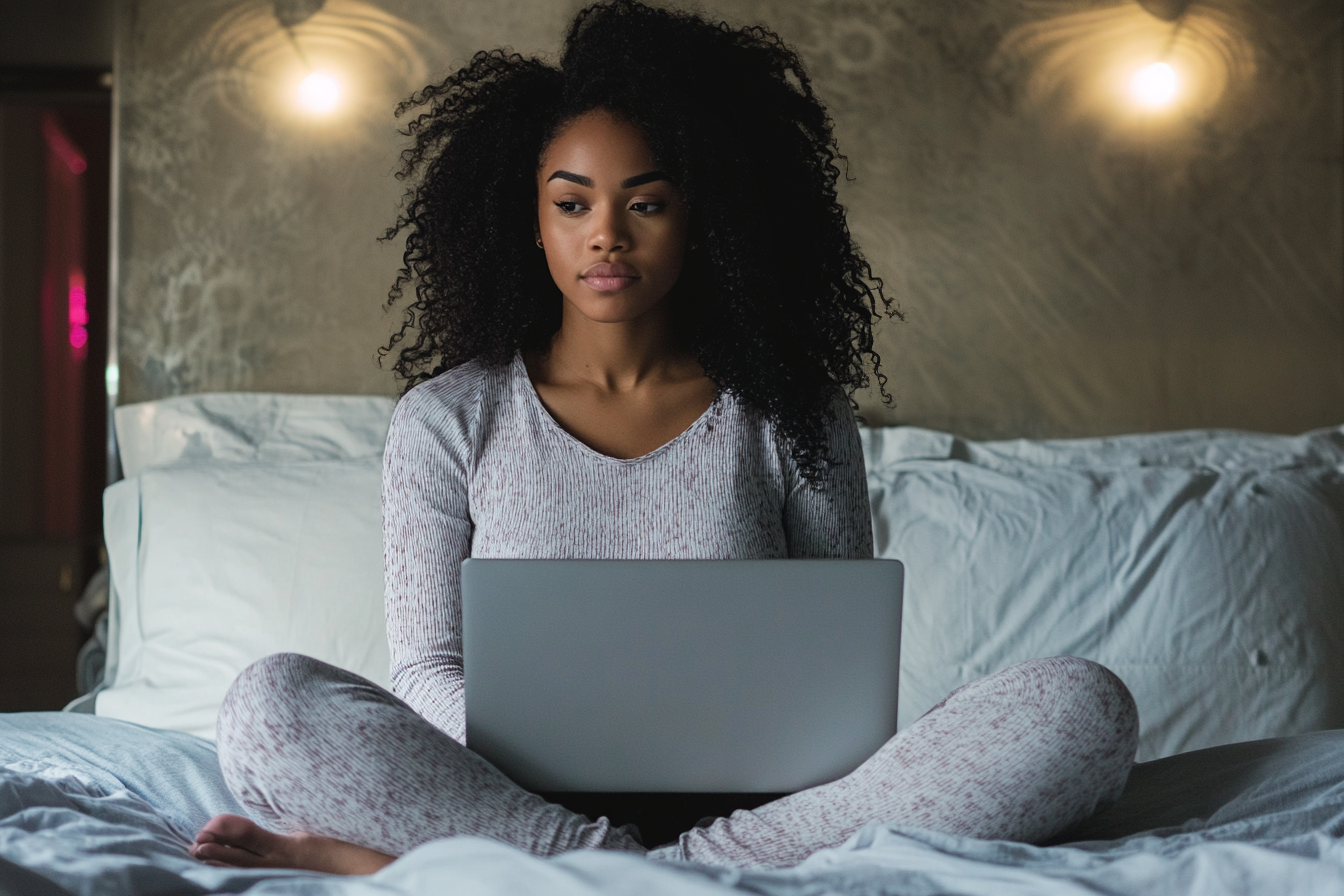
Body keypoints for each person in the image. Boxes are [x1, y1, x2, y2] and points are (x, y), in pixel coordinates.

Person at [190, 0, 1138, 875]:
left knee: (1084, 708)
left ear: (702, 217)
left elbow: (838, 680)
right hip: (509, 794)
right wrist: (522, 748)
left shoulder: (797, 412)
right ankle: (621, 867)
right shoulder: (446, 419)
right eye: (572, 204)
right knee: (269, 709)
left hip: (768, 805)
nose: (606, 235)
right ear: (528, 219)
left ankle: (526, 876)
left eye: (645, 203)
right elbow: (428, 669)